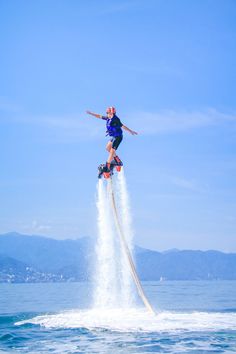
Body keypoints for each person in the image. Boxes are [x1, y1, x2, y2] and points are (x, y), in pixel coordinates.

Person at [86, 107, 137, 174]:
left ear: (112, 113)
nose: (108, 114)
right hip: (114, 136)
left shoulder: (115, 119)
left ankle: (107, 167)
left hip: (118, 137)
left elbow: (123, 126)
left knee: (112, 151)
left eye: (109, 113)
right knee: (107, 148)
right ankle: (117, 161)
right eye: (107, 113)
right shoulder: (108, 118)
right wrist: (91, 113)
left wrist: (130, 131)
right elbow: (99, 116)